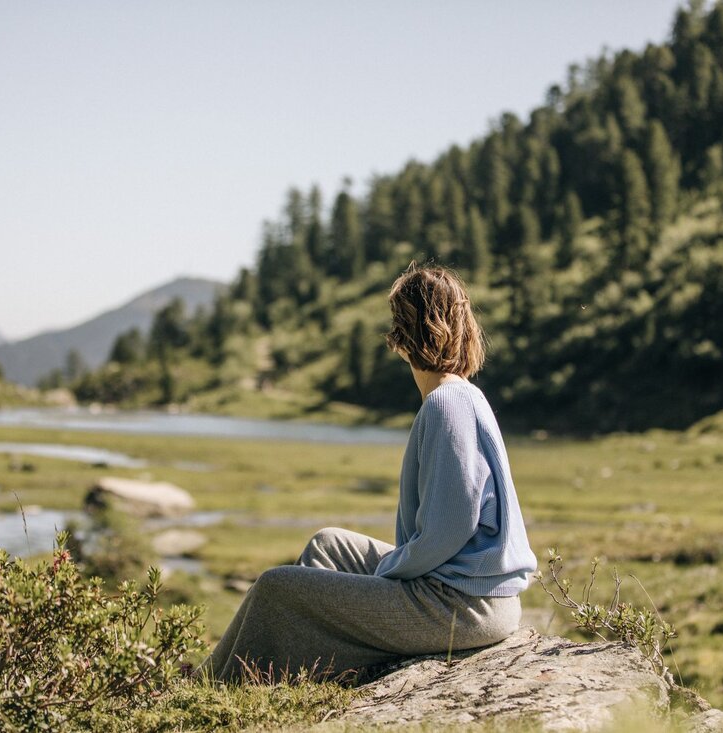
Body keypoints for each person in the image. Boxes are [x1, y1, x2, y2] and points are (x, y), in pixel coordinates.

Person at [198, 263, 537, 683]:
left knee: (275, 587)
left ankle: (206, 688)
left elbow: (448, 529)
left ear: (404, 335)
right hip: (469, 596)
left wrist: (391, 570)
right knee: (328, 545)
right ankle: (297, 673)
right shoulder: (463, 396)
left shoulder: (446, 405)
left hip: (462, 607)